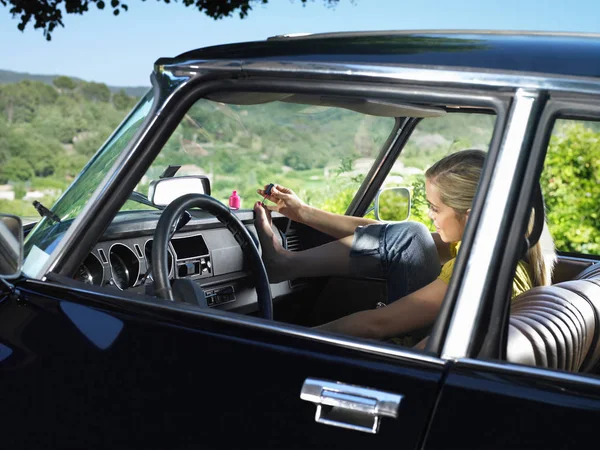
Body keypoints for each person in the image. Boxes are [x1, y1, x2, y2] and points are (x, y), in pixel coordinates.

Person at [253, 149, 556, 343]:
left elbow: (379, 324)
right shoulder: (498, 248)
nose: (430, 215)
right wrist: (303, 213)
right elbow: (391, 237)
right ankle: (286, 264)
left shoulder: (474, 272)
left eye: (435, 208)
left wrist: (286, 342)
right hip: (437, 351)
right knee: (412, 232)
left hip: (417, 366)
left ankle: (285, 265)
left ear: (470, 214)